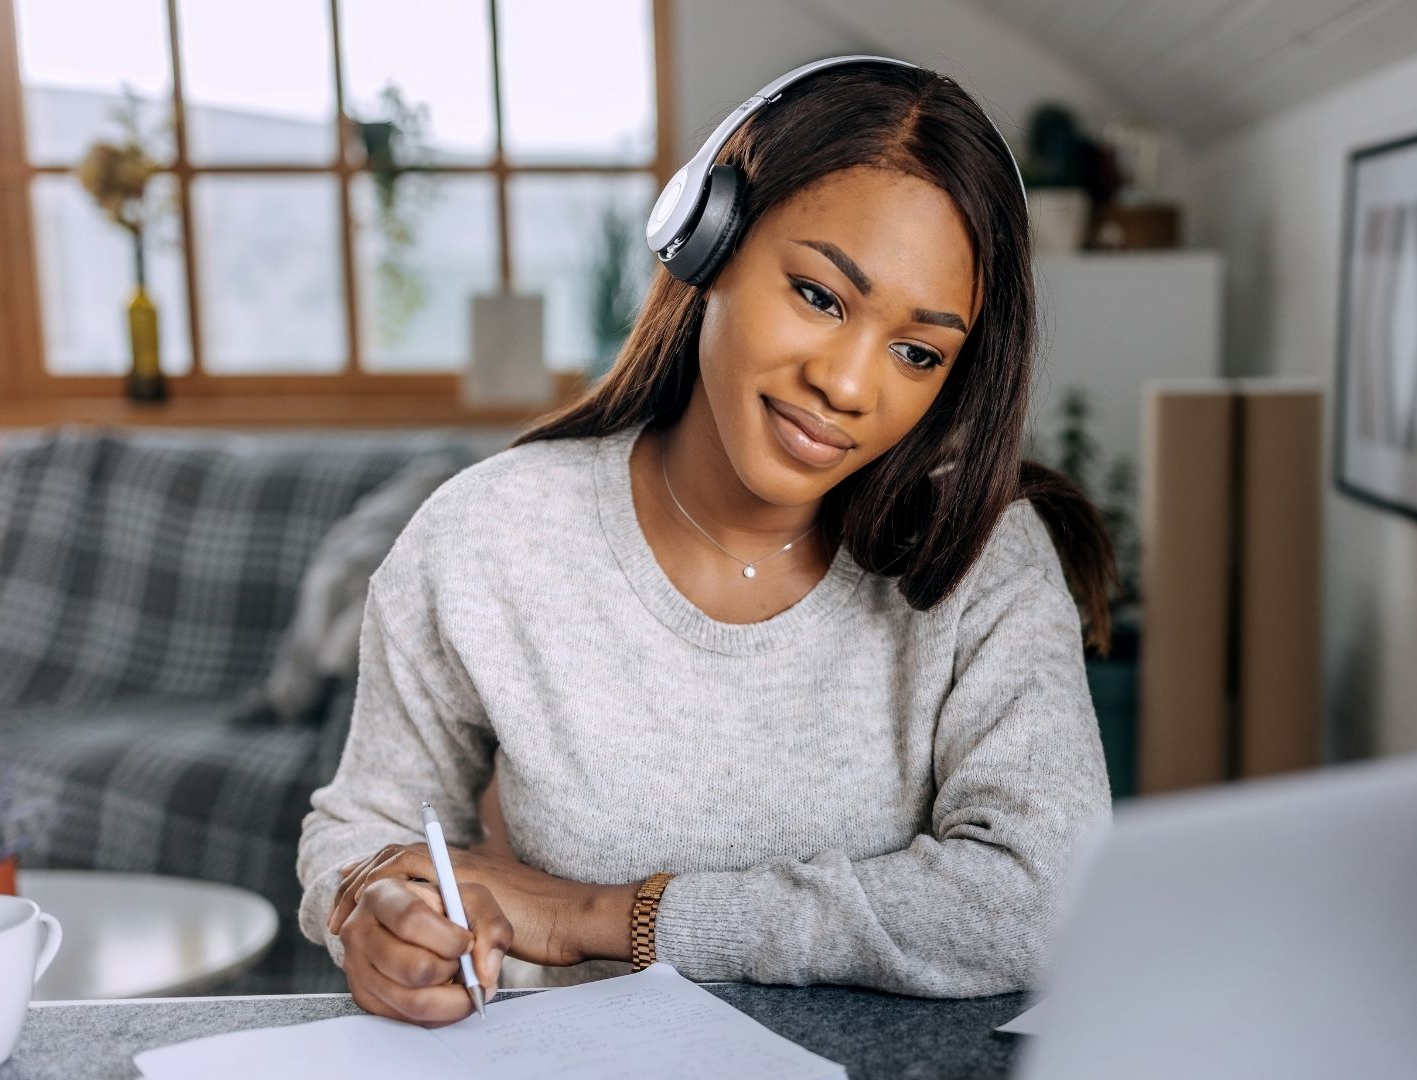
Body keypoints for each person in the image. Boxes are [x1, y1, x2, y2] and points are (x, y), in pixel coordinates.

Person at [296, 57, 1115, 1028]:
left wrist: (603, 918)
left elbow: (1048, 898)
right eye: (820, 296)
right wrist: (372, 910)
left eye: (917, 351)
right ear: (708, 243)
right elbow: (369, 825)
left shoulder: (985, 554)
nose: (849, 385)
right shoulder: (491, 535)